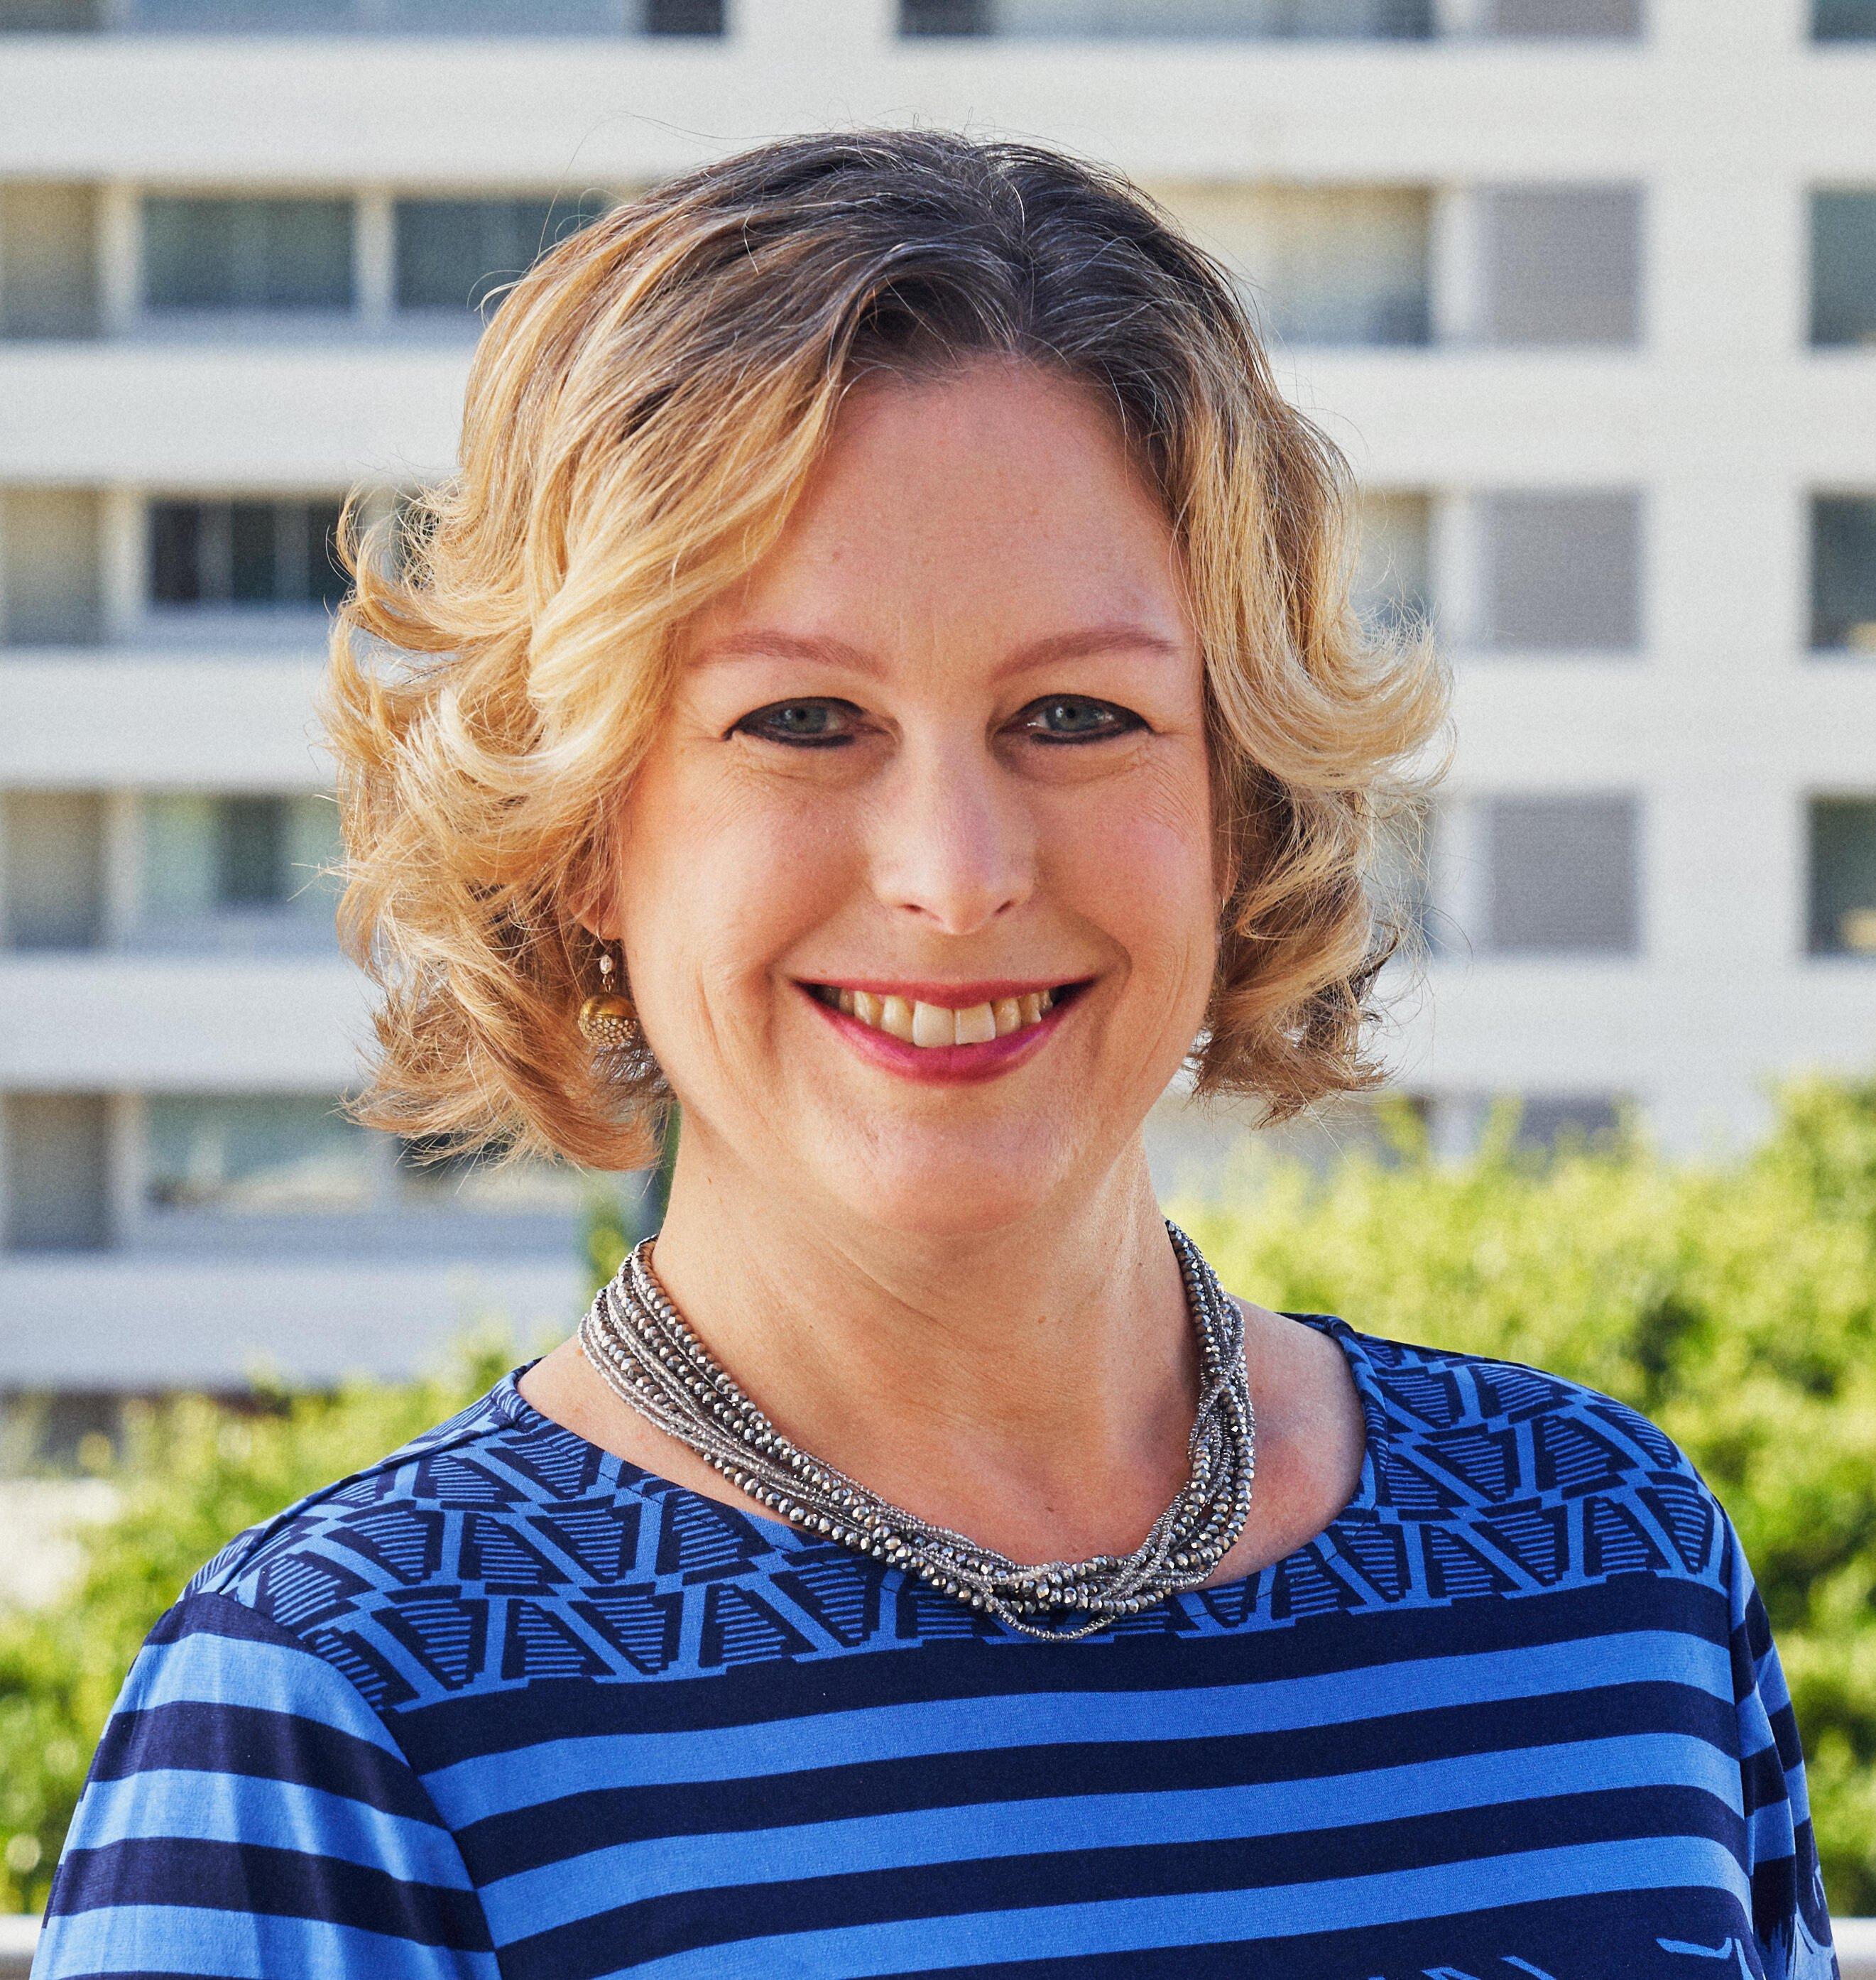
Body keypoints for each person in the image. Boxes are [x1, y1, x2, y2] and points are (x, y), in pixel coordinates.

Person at [34, 129, 1836, 1980]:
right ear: (580, 832)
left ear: (1235, 797)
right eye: (801, 719)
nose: (956, 876)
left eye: (1076, 712)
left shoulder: (1610, 1566)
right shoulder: (334, 1720)